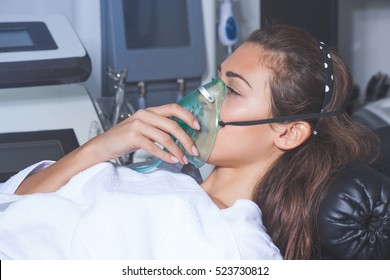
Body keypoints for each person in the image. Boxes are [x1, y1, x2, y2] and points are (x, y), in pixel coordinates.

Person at [0, 25, 379, 260]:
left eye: (231, 90)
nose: (206, 95)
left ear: (286, 131)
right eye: (216, 79)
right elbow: (17, 201)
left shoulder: (234, 246)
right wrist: (102, 146)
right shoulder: (160, 173)